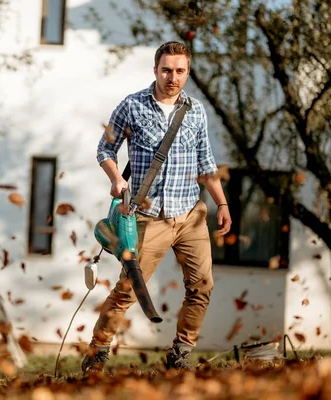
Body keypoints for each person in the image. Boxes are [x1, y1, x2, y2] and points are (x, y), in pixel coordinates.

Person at [83, 41, 232, 372]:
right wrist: (116, 179)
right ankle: (98, 351)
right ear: (155, 70)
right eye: (166, 70)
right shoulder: (133, 106)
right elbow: (104, 150)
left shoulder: (194, 111)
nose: (172, 77)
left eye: (180, 71)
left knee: (202, 286)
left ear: (187, 73)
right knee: (127, 291)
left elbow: (206, 162)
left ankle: (180, 352)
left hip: (191, 216)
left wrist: (221, 202)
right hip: (149, 218)